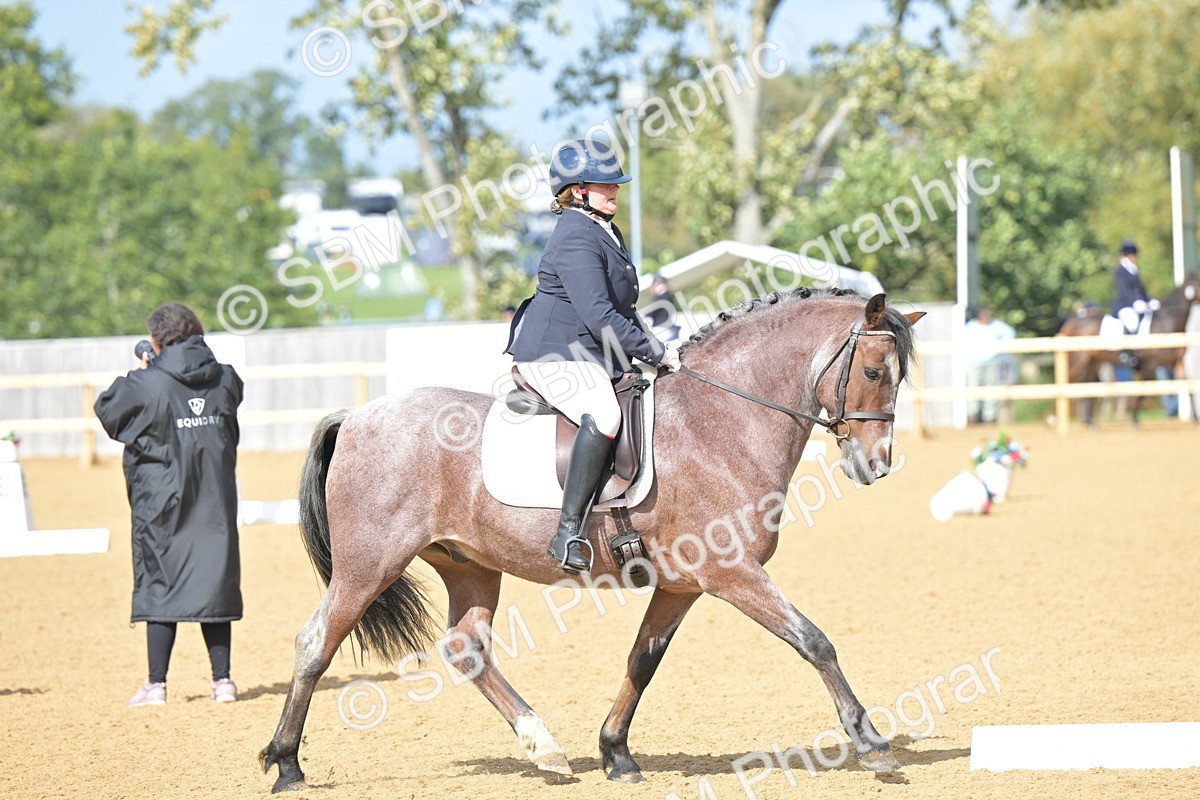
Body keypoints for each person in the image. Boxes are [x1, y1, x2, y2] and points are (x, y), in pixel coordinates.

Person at [504, 138, 680, 574]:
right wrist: (654, 351)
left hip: (592, 353)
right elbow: (600, 315)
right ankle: (567, 533)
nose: (615, 188)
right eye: (605, 183)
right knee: (604, 414)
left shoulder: (603, 229)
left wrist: (656, 346)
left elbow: (625, 310)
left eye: (615, 182)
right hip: (554, 354)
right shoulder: (575, 235)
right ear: (578, 190)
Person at [94, 303, 244, 706]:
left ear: (157, 340)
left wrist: (148, 370)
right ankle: (223, 681)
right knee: (215, 581)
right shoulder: (225, 378)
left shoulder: (146, 385)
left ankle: (156, 684)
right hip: (214, 502)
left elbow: (108, 409)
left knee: (161, 582)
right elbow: (229, 397)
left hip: (161, 502)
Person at [963, 307, 1016, 424]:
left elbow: (1010, 333)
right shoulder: (970, 328)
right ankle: (972, 415)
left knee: (991, 389)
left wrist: (1001, 347)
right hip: (973, 362)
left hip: (992, 361)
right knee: (973, 388)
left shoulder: (996, 326)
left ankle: (989, 417)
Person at [1110, 238, 1158, 369]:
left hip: (1137, 305)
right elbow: (1124, 290)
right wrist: (1135, 302)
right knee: (1132, 322)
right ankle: (1126, 353)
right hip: (1125, 305)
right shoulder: (1120, 271)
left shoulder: (1134, 270)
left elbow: (1141, 288)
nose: (1134, 257)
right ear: (1127, 255)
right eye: (1132, 255)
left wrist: (1149, 300)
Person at [643, 274, 682, 346]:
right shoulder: (664, 296)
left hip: (662, 328)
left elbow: (650, 313)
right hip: (665, 328)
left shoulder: (663, 295)